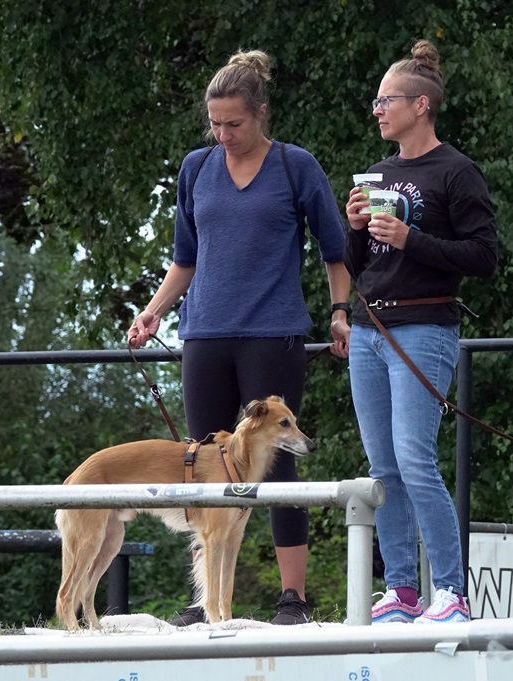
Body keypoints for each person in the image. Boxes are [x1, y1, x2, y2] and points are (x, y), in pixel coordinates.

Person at [128, 49, 351, 626]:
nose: (223, 134)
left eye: (234, 123)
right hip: (204, 334)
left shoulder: (296, 166)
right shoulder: (196, 168)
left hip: (272, 334)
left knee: (276, 464)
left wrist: (340, 312)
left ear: (261, 113)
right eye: (215, 123)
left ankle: (293, 598)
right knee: (202, 463)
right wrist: (152, 312)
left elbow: (335, 250)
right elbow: (185, 259)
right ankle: (206, 601)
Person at [343, 40, 498, 624]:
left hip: (424, 327)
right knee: (382, 467)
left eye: (387, 101)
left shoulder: (457, 171)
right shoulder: (379, 172)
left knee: (414, 460)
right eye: (377, 101)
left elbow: (484, 256)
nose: (377, 110)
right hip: (369, 329)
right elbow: (358, 264)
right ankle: (402, 589)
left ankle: (452, 592)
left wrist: (413, 240)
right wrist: (354, 228)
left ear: (421, 105)